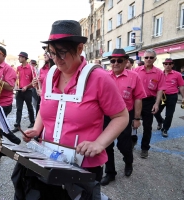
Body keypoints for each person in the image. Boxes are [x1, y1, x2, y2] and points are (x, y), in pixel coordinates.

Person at [12, 20, 129, 199]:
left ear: (80, 48)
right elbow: (45, 107)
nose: (56, 59)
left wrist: (99, 143)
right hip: (48, 159)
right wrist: (37, 128)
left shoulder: (99, 77)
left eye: (62, 53)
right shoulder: (50, 75)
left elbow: (121, 116)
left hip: (83, 165)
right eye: (52, 53)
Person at [101, 49, 146, 186]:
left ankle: (128, 162)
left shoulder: (134, 76)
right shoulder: (104, 76)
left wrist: (137, 119)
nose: (115, 63)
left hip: (125, 115)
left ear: (126, 61)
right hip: (107, 115)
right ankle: (110, 173)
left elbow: (138, 98)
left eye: (119, 60)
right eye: (113, 60)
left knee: (123, 145)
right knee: (106, 144)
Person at [134, 49, 166, 158]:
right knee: (133, 124)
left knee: (147, 127)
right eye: (146, 57)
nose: (148, 59)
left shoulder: (159, 73)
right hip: (136, 101)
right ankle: (133, 141)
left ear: (155, 59)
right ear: (143, 58)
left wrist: (156, 104)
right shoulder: (136, 70)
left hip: (149, 101)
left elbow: (160, 89)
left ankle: (144, 148)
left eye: (151, 57)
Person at [154, 58, 184, 137]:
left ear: (172, 65)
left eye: (169, 64)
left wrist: (183, 98)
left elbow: (181, 86)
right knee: (155, 111)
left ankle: (165, 129)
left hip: (172, 96)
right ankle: (160, 121)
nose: (167, 65)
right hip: (162, 96)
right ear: (163, 65)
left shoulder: (177, 74)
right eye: (166, 64)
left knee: (169, 114)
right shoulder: (159, 74)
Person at [12, 52, 35, 132]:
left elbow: (34, 81)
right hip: (19, 91)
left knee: (30, 107)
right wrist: (15, 86)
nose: (19, 58)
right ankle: (17, 125)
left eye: (20, 57)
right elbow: (16, 78)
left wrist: (27, 86)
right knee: (19, 109)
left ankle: (32, 122)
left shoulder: (31, 68)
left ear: (25, 58)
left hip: (28, 91)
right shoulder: (18, 68)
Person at [32, 46, 55, 115]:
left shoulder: (58, 68)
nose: (44, 54)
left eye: (47, 52)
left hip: (53, 102)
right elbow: (39, 87)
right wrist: (35, 84)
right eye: (44, 52)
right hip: (41, 100)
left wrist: (44, 93)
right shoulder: (42, 69)